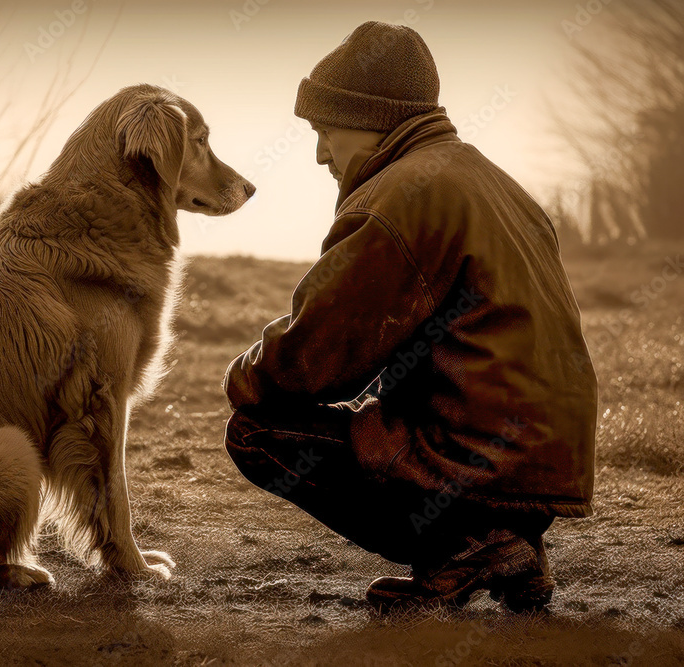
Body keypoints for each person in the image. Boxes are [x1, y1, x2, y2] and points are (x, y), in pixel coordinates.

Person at [222, 21, 597, 612]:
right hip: (544, 474)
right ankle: (510, 544)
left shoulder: (400, 197)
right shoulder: (496, 184)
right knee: (376, 420)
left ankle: (463, 547)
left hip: (472, 468)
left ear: (371, 121)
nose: (320, 153)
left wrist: (241, 376)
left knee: (258, 431)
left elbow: (312, 362)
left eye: (326, 131)